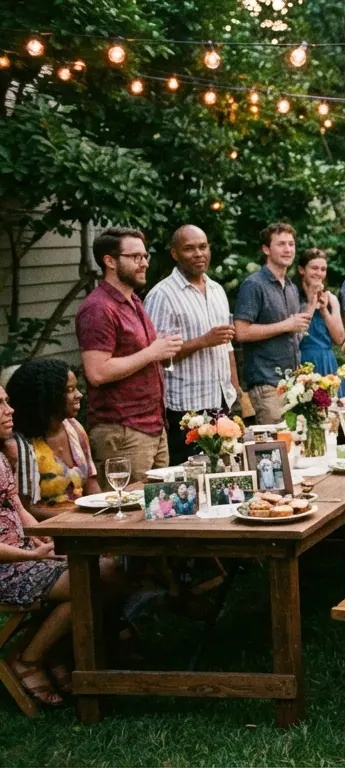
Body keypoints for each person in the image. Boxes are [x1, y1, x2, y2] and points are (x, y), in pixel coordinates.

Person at [0, 382, 120, 707]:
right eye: (1, 405)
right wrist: (29, 553)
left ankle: (41, 650)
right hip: (7, 568)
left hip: (25, 555)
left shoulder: (1, 454)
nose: (10, 411)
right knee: (93, 577)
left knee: (107, 571)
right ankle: (30, 659)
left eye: (7, 402)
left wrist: (40, 537)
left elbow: (19, 509)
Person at [77, 227, 181, 481]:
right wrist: (152, 352)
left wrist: (160, 352)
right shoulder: (98, 308)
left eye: (145, 256)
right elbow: (97, 372)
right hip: (122, 430)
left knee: (159, 511)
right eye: (135, 257)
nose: (144, 263)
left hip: (153, 426)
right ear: (109, 261)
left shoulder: (134, 301)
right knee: (130, 514)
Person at [145, 225, 241, 465]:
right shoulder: (162, 295)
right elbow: (156, 356)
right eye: (189, 248)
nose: (198, 253)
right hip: (186, 409)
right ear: (175, 254)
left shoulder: (217, 290)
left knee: (223, 474)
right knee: (191, 480)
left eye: (203, 246)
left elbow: (226, 346)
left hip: (220, 401)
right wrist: (202, 341)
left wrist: (236, 392)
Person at [235, 223, 312, 426]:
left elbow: (295, 332)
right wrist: (286, 325)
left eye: (291, 244)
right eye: (281, 244)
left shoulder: (292, 288)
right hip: (267, 384)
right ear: (266, 249)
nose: (288, 249)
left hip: (292, 385)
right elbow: (241, 332)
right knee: (274, 453)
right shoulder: (253, 285)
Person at [9, 361, 99, 517]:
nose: (79, 394)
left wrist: (101, 513)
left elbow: (91, 483)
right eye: (70, 390)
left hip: (84, 525)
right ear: (48, 397)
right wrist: (77, 517)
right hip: (47, 533)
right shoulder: (20, 445)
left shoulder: (74, 428)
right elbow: (25, 509)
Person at [295, 248, 345, 378]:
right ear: (302, 270)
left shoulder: (331, 298)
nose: (319, 273)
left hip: (326, 361)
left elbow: (339, 338)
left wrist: (324, 310)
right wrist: (312, 301)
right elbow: (297, 335)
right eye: (314, 268)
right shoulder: (292, 296)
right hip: (302, 360)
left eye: (323, 269)